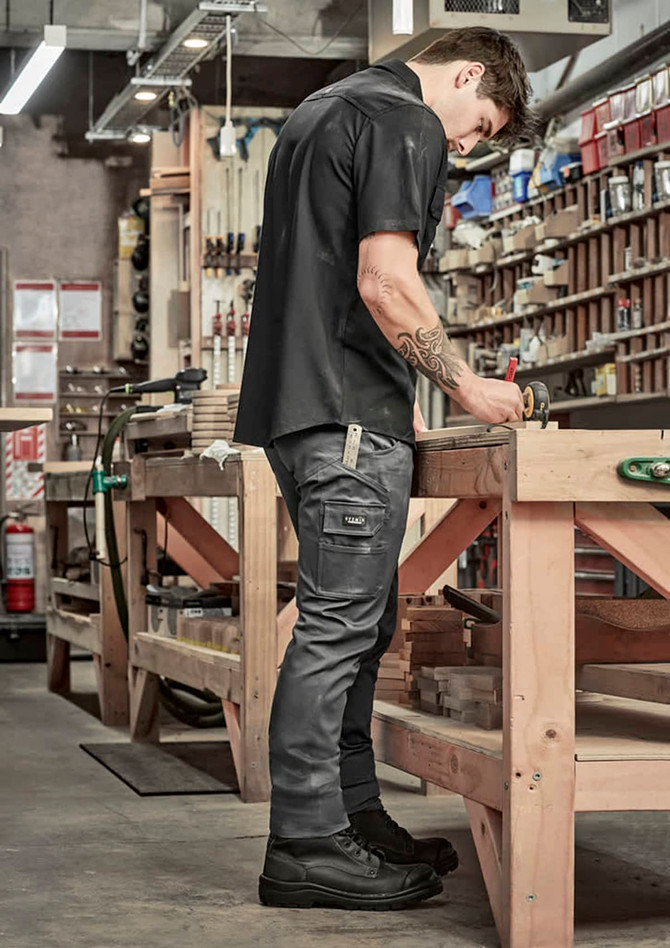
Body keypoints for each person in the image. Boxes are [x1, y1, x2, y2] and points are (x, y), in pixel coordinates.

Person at [234, 26, 532, 911]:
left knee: (360, 626)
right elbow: (385, 280)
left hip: (309, 410)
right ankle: (305, 841)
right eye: (480, 126)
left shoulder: (319, 114)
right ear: (469, 72)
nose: (467, 146)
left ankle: (352, 818)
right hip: (345, 420)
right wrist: (468, 387)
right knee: (339, 630)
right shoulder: (405, 120)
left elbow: (325, 276)